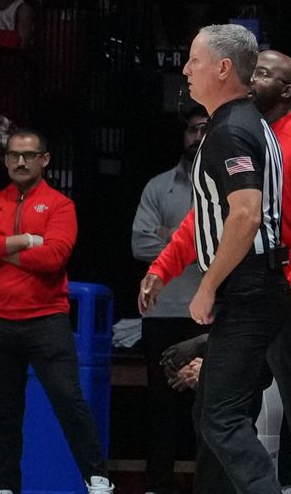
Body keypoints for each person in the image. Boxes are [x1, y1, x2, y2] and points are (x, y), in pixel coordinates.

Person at [139, 30, 290, 494]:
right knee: (216, 412)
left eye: (194, 60)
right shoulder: (247, 124)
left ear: (223, 68)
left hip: (252, 285)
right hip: (255, 287)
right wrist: (165, 266)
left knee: (221, 417)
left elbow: (244, 215)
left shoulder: (230, 130)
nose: (185, 70)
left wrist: (206, 288)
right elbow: (210, 218)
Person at [0, 129, 114, 494]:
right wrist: (26, 242)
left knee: (69, 401)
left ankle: (98, 479)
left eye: (29, 155)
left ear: (44, 159)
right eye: (13, 155)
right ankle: (5, 487)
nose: (20, 162)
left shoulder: (61, 205)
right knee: (4, 412)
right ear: (5, 160)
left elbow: (55, 257)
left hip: (46, 319)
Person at [130, 107, 209, 494]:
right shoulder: (159, 187)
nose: (196, 137)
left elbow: (234, 243)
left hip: (210, 313)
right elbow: (139, 242)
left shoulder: (229, 183)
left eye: (205, 129)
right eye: (191, 130)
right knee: (160, 404)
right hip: (162, 311)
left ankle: (208, 483)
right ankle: (157, 485)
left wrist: (174, 239)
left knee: (209, 403)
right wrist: (195, 245)